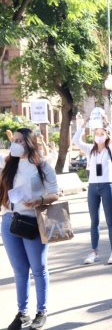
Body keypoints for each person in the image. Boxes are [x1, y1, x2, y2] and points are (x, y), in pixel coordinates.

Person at [1, 128, 59, 330]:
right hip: (9, 220)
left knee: (39, 269)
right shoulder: (9, 165)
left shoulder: (42, 166)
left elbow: (55, 193)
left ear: (29, 143)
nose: (14, 144)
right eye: (13, 140)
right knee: (19, 271)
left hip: (33, 222)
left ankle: (41, 311)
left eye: (19, 141)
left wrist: (38, 200)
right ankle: (22, 313)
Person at [73, 115, 112, 265]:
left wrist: (108, 123)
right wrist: (84, 124)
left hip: (107, 186)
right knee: (94, 221)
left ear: (106, 136)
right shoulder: (90, 150)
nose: (98, 136)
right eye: (96, 134)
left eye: (102, 134)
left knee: (110, 221)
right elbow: (75, 140)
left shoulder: (110, 149)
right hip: (93, 187)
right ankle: (94, 252)